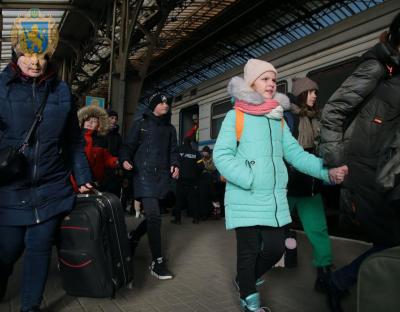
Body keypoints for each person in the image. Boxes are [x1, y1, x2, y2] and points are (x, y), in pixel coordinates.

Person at [213, 58, 347, 312]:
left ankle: (244, 280)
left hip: (272, 200)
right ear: (252, 82)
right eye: (265, 79)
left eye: (274, 80)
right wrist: (249, 178)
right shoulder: (235, 116)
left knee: (275, 249)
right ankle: (250, 302)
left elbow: (296, 155)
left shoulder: (278, 119)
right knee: (249, 252)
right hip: (245, 196)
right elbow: (221, 156)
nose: (271, 84)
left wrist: (327, 172)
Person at [0, 11, 92, 312]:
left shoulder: (61, 90)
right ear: (17, 52)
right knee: (7, 251)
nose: (35, 61)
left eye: (40, 54)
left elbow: (74, 141)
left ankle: (30, 307)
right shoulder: (2, 88)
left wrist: (82, 175)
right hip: (11, 187)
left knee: (39, 249)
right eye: (28, 53)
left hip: (51, 187)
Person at [319, 13, 400, 312]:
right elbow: (333, 112)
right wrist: (337, 163)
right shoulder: (377, 67)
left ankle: (339, 281)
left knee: (391, 240)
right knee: (391, 240)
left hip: (387, 171)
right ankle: (340, 282)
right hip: (365, 171)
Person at [121, 92, 179, 280]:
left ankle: (134, 237)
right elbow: (128, 146)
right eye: (162, 103)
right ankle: (157, 262)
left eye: (167, 103)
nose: (166, 105)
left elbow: (173, 151)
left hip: (162, 176)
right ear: (153, 105)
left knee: (155, 215)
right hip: (143, 173)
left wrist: (175, 164)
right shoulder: (141, 124)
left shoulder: (170, 129)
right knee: (154, 216)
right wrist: (124, 159)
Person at [284, 77, 333, 292]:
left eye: (316, 92)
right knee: (275, 228)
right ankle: (261, 264)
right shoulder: (288, 118)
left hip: (311, 186)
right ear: (301, 94)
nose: (314, 96)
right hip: (289, 184)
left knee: (318, 230)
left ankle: (324, 272)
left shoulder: (316, 119)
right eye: (310, 92)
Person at [70, 105, 118, 191]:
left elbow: (106, 157)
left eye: (94, 121)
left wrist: (116, 161)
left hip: (95, 181)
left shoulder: (101, 140)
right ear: (82, 122)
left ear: (99, 125)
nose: (90, 123)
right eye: (88, 120)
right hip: (77, 182)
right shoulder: (76, 138)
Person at [171, 136, 204, 225]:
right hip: (192, 180)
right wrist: (195, 175)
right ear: (190, 143)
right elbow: (201, 166)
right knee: (194, 199)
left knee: (178, 200)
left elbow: (173, 163)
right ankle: (196, 219)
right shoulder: (196, 153)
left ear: (183, 142)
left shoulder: (178, 151)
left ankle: (177, 220)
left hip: (180, 179)